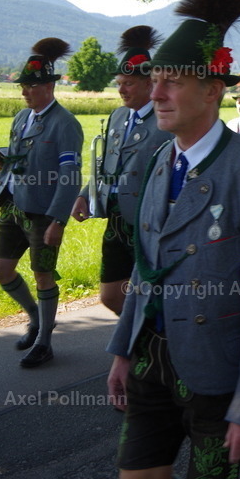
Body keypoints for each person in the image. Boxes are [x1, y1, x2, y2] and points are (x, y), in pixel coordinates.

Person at [105, 0, 240, 479]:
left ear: (213, 90)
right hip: (152, 358)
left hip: (218, 371)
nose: (157, 93)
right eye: (155, 80)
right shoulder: (156, 162)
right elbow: (146, 270)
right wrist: (124, 351)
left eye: (173, 81)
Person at [0, 37, 83, 368]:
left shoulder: (65, 124)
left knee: (43, 276)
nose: (25, 91)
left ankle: (44, 342)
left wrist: (59, 220)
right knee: (0, 268)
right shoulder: (19, 118)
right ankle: (36, 318)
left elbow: (70, 174)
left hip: (43, 212)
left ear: (49, 86)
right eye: (23, 86)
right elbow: (14, 160)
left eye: (31, 86)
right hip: (13, 204)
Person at [70, 26, 173, 316]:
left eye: (128, 83)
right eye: (119, 82)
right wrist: (83, 195)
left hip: (148, 220)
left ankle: (151, 350)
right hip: (115, 218)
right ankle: (142, 341)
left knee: (151, 293)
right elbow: (104, 164)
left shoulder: (165, 118)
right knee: (110, 294)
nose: (121, 89)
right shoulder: (117, 115)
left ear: (149, 84)